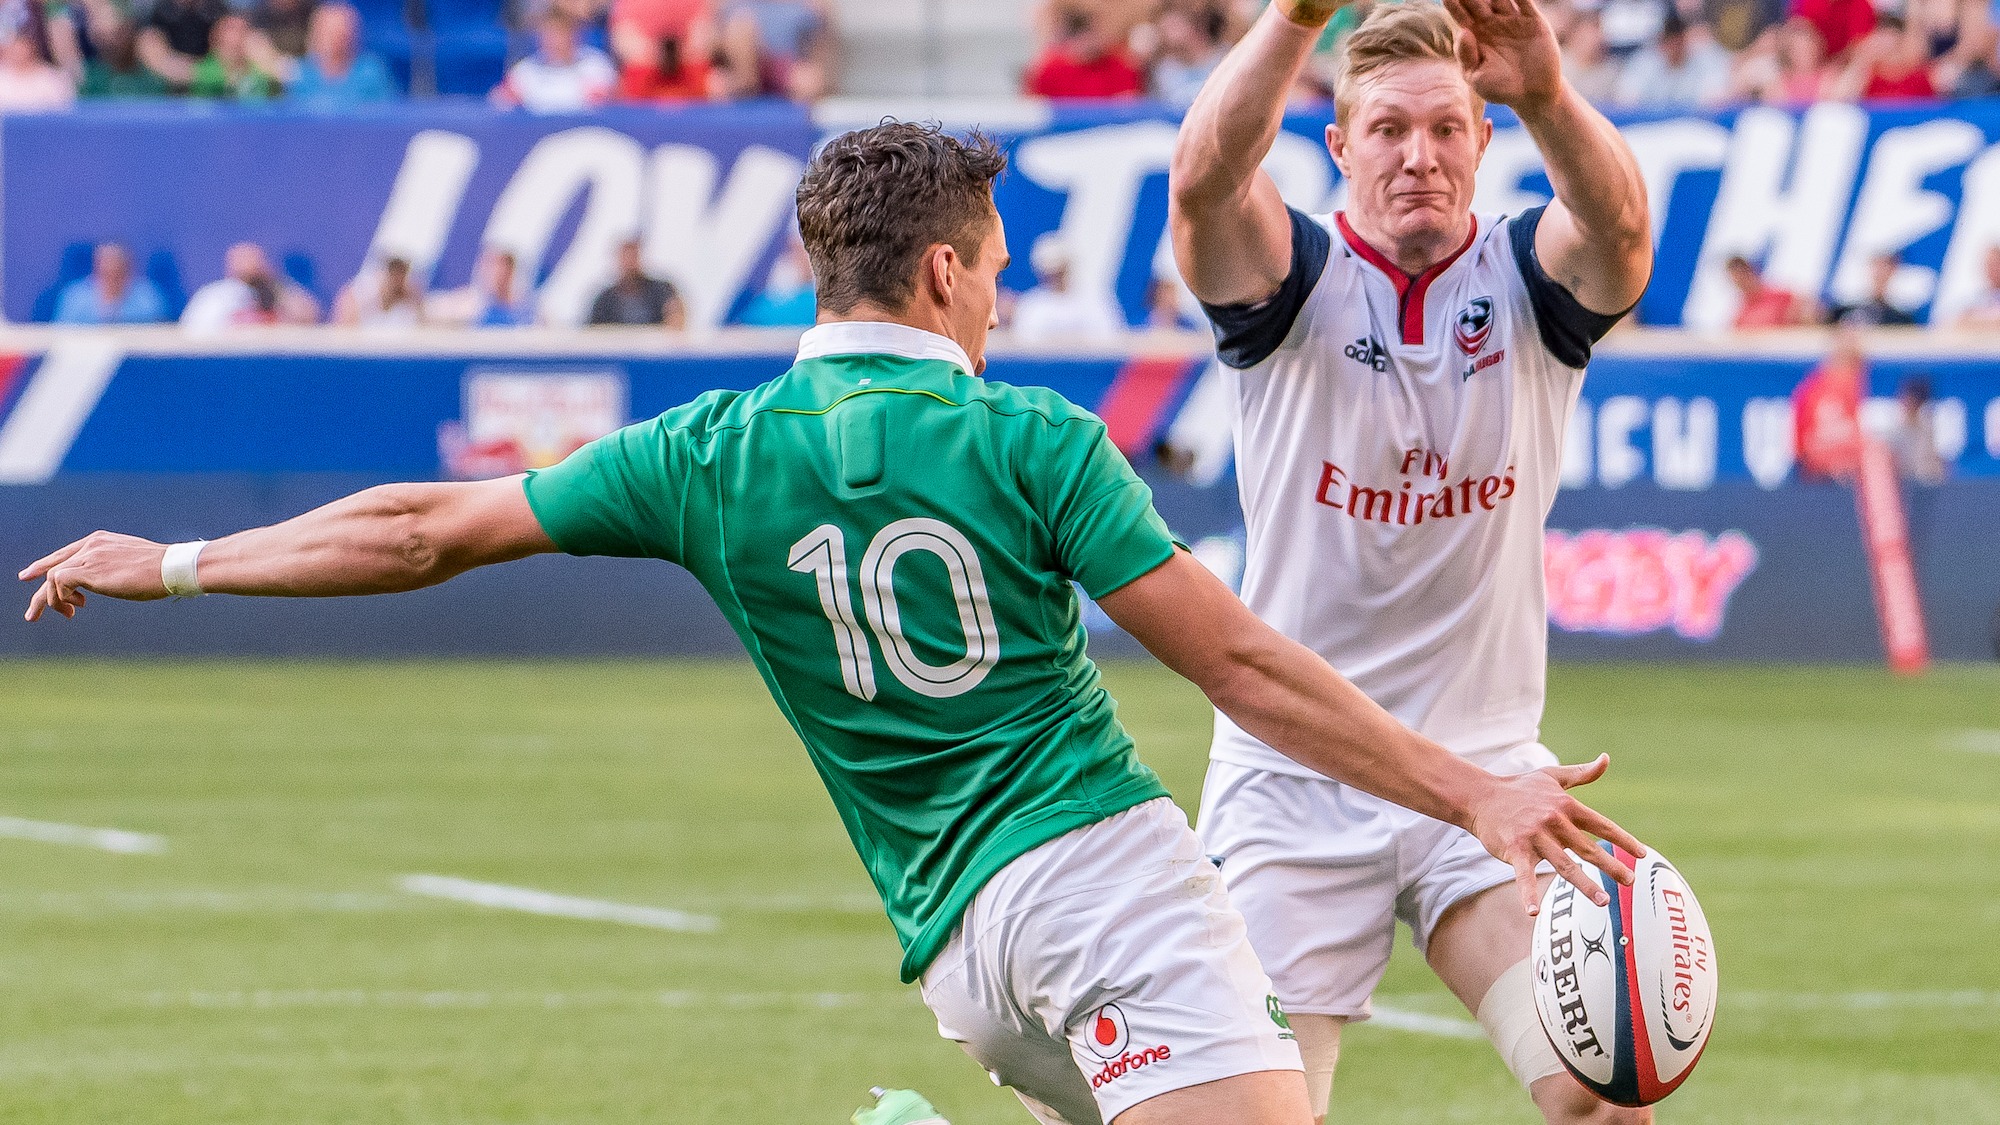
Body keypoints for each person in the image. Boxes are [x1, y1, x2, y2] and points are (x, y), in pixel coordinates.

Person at [20, 119, 1643, 1125]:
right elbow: (1241, 668)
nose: (1005, 294)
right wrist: (1477, 788)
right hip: (1107, 885)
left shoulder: (708, 454)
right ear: (941, 271)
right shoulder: (1031, 443)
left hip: (960, 959)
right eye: (995, 265)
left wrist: (178, 564)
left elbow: (421, 532)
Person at [1167, 2, 1656, 1123]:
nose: (1418, 155)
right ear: (1338, 147)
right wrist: (1293, 20)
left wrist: (1543, 87)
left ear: (1483, 141)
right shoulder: (1288, 278)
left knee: (1604, 1082)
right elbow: (1199, 185)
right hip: (1291, 786)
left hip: (1484, 779)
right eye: (1386, 129)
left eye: (1446, 127)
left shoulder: (1530, 280)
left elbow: (1622, 233)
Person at [1008, 232, 1127, 342]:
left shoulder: (1096, 301)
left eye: (1059, 270)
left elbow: (1112, 338)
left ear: (1068, 267)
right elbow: (1024, 344)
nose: (1055, 276)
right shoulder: (1032, 305)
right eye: (1049, 272)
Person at [180, 242, 319, 333]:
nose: (249, 266)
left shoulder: (281, 291)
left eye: (255, 261)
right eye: (242, 260)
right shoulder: (214, 295)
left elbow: (308, 318)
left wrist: (276, 288)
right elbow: (193, 330)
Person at [492, 10, 618, 111]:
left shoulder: (596, 66)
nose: (554, 42)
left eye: (560, 34)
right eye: (548, 35)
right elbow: (500, 104)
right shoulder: (525, 70)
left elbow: (604, 108)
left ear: (575, 36)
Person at [280, 2, 396, 107]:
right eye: (329, 32)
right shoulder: (300, 73)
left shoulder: (371, 71)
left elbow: (386, 113)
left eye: (341, 33)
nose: (336, 40)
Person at [1612, 10, 1733, 107]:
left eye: (1677, 39)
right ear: (1660, 40)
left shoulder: (1705, 60)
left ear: (1684, 38)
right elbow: (1625, 101)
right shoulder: (1644, 63)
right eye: (1668, 39)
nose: (1673, 45)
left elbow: (1715, 99)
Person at [715, 0, 828, 101]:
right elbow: (713, 39)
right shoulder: (733, 8)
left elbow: (821, 40)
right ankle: (745, 83)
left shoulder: (808, 6)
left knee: (809, 83)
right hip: (747, 68)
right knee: (741, 25)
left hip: (787, 66)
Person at [1793, 326, 1866, 481]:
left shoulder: (1856, 388)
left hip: (1846, 471)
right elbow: (1800, 444)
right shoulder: (1812, 389)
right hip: (1819, 472)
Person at [1023, 7, 1146, 98]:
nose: (1096, 41)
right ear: (1074, 39)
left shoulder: (1121, 66)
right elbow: (1033, 106)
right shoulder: (1049, 70)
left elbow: (1129, 103)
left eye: (1097, 35)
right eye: (1089, 36)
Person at [53, 242, 169, 324]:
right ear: (96, 268)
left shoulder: (147, 296)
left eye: (118, 273)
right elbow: (61, 335)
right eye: (105, 272)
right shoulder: (75, 297)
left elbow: (157, 336)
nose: (111, 277)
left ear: (128, 269)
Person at [586, 237, 686, 327]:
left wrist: (674, 315)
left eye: (633, 257)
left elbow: (676, 315)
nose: (629, 264)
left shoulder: (661, 290)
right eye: (625, 258)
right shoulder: (605, 300)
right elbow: (594, 331)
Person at [430, 247, 538, 327]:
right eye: (491, 268)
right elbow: (433, 315)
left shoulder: (526, 307)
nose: (496, 274)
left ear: (511, 272)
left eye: (502, 269)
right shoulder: (470, 303)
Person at [135, 0, 226, 89]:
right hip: (166, 89)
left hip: (215, 91)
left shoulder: (218, 11)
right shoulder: (156, 13)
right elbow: (148, 46)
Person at [189, 13, 274, 99]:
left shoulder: (257, 69)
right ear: (217, 35)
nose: (240, 34)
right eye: (232, 28)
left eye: (244, 29)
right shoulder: (207, 67)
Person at [1828, 251, 1919, 327]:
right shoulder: (1844, 311)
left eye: (1885, 266)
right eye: (1877, 265)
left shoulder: (1901, 319)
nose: (1880, 272)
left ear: (1893, 270)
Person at [332, 255, 425, 327]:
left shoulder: (411, 293)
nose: (397, 279)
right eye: (394, 273)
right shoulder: (359, 294)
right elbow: (343, 331)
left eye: (401, 273)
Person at [0, 24, 76, 110]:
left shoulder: (52, 79)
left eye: (21, 44)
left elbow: (64, 112)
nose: (17, 50)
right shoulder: (2, 77)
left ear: (32, 46)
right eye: (13, 45)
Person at [1726, 253, 1812, 328]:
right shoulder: (1742, 313)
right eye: (1735, 279)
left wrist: (1791, 319)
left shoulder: (1778, 295)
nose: (1740, 281)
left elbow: (1804, 302)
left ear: (1749, 272)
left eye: (1741, 276)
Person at [1949, 243, 2000, 329]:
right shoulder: (1979, 297)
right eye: (1988, 265)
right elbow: (1959, 320)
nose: (1991, 269)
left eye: (1995, 264)